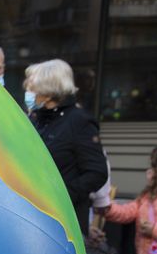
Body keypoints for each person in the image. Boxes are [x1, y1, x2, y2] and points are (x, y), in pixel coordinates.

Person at [25, 59, 109, 234]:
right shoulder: (36, 119)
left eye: (32, 88)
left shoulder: (78, 121)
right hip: (34, 214)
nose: (27, 92)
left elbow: (96, 172)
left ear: (48, 92)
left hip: (64, 222)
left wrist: (62, 196)